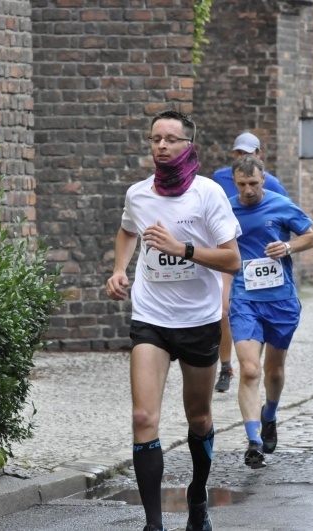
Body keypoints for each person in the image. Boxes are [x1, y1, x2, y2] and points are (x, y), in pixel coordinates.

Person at [106, 110, 242, 531]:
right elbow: (129, 229)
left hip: (199, 320)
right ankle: (153, 523)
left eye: (170, 139)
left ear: (188, 146)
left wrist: (182, 249)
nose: (161, 146)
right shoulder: (138, 194)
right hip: (151, 317)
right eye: (155, 139)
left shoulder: (208, 195)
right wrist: (119, 269)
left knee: (198, 417)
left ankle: (197, 495)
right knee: (144, 418)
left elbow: (232, 259)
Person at [227, 155, 313, 469]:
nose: (248, 190)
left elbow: (310, 235)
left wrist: (288, 247)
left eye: (253, 183)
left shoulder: (280, 205)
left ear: (263, 180)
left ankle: (270, 415)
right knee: (250, 370)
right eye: (242, 184)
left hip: (281, 302)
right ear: (235, 182)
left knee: (273, 371)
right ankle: (253, 441)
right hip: (244, 300)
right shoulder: (227, 208)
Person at [210, 132, 288, 393]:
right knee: (223, 310)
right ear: (233, 156)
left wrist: (285, 246)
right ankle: (225, 365)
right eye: (239, 153)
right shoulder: (219, 179)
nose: (244, 157)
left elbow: (286, 217)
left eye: (250, 153)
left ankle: (256, 361)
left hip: (260, 261)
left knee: (253, 313)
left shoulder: (273, 184)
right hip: (229, 253)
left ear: (259, 155)